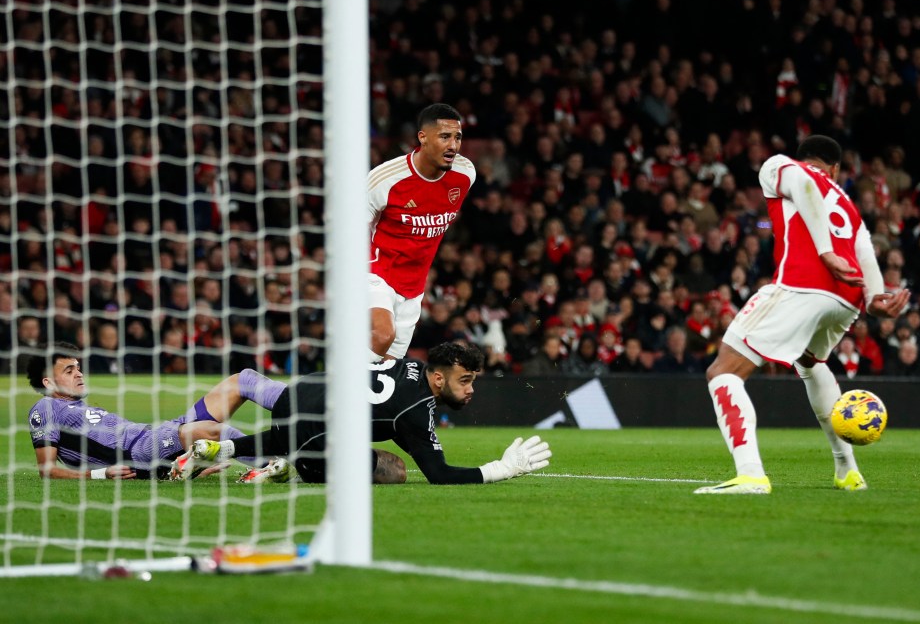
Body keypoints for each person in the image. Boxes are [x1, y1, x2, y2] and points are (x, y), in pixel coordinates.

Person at [695, 136, 909, 495]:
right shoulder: (846, 202)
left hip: (803, 284)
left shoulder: (780, 166)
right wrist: (875, 299)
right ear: (836, 169)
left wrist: (824, 253)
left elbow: (805, 183)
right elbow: (863, 243)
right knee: (811, 364)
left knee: (723, 371)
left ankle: (750, 475)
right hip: (846, 300)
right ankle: (848, 471)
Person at [172, 342, 551, 485]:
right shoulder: (418, 409)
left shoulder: (410, 364)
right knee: (395, 469)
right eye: (465, 381)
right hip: (315, 429)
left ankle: (217, 450)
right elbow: (439, 475)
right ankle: (279, 469)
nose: (470, 390)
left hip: (301, 389)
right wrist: (502, 469)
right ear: (439, 378)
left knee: (307, 432)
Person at [24, 342, 263, 480]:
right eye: (69, 371)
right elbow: (47, 469)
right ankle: (271, 466)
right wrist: (100, 474)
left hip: (156, 434)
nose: (79, 373)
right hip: (139, 449)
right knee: (219, 432)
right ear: (48, 383)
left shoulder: (77, 407)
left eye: (78, 368)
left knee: (240, 381)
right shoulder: (45, 408)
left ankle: (294, 414)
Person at [368, 103, 477, 361]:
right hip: (376, 272)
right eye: (444, 136)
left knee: (387, 368)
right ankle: (325, 394)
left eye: (457, 137)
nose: (453, 145)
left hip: (414, 287)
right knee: (383, 335)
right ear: (422, 137)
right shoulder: (385, 180)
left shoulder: (465, 174)